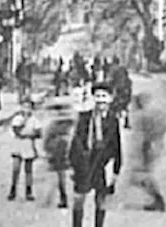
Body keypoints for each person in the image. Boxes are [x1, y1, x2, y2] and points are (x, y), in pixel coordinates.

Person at [68, 82, 122, 227]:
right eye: (97, 96)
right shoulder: (85, 118)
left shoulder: (113, 121)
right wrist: (74, 165)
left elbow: (116, 146)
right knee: (79, 199)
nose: (100, 100)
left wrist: (115, 170)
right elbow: (76, 142)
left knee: (101, 200)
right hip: (85, 163)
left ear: (110, 99)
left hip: (102, 165)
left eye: (104, 96)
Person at [129, 91, 166, 212]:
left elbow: (140, 136)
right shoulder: (148, 114)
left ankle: (157, 199)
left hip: (146, 147)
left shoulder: (141, 115)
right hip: (151, 146)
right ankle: (155, 199)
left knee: (140, 175)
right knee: (141, 175)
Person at [8, 99, 42, 201]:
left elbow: (39, 133)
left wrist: (29, 133)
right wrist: (25, 125)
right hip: (18, 146)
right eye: (24, 107)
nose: (26, 109)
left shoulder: (35, 120)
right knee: (15, 169)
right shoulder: (17, 119)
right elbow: (17, 131)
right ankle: (13, 190)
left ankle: (29, 191)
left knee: (28, 170)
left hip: (29, 146)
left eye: (29, 107)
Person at [43, 108, 75, 209]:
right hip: (61, 152)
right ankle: (64, 197)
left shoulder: (53, 126)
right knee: (61, 176)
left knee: (60, 176)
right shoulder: (70, 126)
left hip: (64, 151)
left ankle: (63, 197)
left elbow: (46, 139)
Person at [110, 63, 132, 129]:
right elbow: (129, 90)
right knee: (124, 109)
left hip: (121, 96)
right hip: (124, 96)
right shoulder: (128, 80)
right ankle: (126, 123)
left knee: (115, 108)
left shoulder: (117, 79)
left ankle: (116, 121)